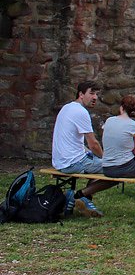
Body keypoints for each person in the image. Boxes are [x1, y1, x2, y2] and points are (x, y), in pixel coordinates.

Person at [51, 80, 115, 217]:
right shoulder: (81, 112)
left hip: (60, 162)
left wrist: (94, 155)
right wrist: (107, 159)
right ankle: (80, 196)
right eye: (91, 93)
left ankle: (82, 199)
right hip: (74, 162)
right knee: (118, 170)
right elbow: (93, 144)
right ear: (81, 94)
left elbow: (78, 144)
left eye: (96, 94)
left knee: (96, 161)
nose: (95, 97)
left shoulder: (67, 108)